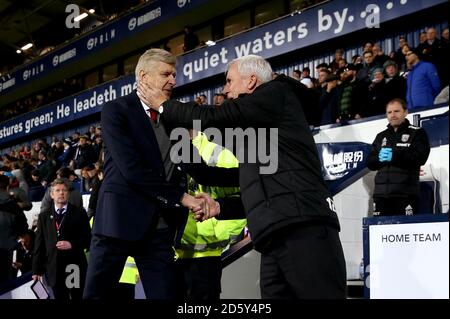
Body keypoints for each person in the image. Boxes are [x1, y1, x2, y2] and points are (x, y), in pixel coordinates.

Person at [139, 54, 347, 299]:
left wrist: (164, 105)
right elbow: (202, 170)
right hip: (273, 236)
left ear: (251, 82)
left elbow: (214, 117)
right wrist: (219, 207)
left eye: (229, 81)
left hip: (304, 228)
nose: (225, 89)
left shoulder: (275, 93)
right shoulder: (255, 135)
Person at [83, 49, 211, 300]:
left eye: (174, 75)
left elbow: (197, 166)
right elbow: (132, 169)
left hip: (160, 228)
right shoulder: (116, 109)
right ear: (144, 76)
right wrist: (183, 197)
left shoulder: (172, 115)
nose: (173, 80)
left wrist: (247, 177)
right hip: (117, 223)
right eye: (166, 74)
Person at [366, 98, 430, 216]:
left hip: (406, 196)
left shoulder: (417, 132)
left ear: (405, 112)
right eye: (389, 112)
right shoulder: (381, 136)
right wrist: (378, 158)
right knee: (381, 233)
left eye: (396, 111)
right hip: (381, 196)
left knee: (405, 232)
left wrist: (394, 156)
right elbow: (370, 163)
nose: (393, 115)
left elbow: (420, 157)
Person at [32, 178, 91, 299]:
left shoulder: (79, 213)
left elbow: (88, 239)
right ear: (52, 194)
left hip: (74, 267)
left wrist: (72, 244)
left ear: (68, 194)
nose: (61, 193)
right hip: (54, 269)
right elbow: (39, 245)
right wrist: (36, 270)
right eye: (57, 190)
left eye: (64, 190)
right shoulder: (44, 216)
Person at [0, 174, 28, 283]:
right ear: (7, 187)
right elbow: (23, 230)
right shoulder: (13, 206)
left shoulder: (13, 205)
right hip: (8, 255)